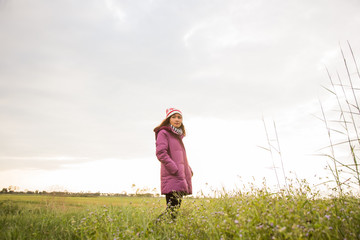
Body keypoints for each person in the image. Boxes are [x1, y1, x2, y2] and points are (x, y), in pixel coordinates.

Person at [154, 108, 193, 219]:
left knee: (174, 212)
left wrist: (188, 170)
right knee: (171, 211)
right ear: (168, 119)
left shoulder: (177, 136)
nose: (177, 119)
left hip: (180, 176)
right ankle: (152, 229)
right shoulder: (164, 133)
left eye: (179, 117)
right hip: (172, 176)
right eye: (174, 117)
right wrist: (174, 169)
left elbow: (181, 158)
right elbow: (161, 153)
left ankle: (165, 232)